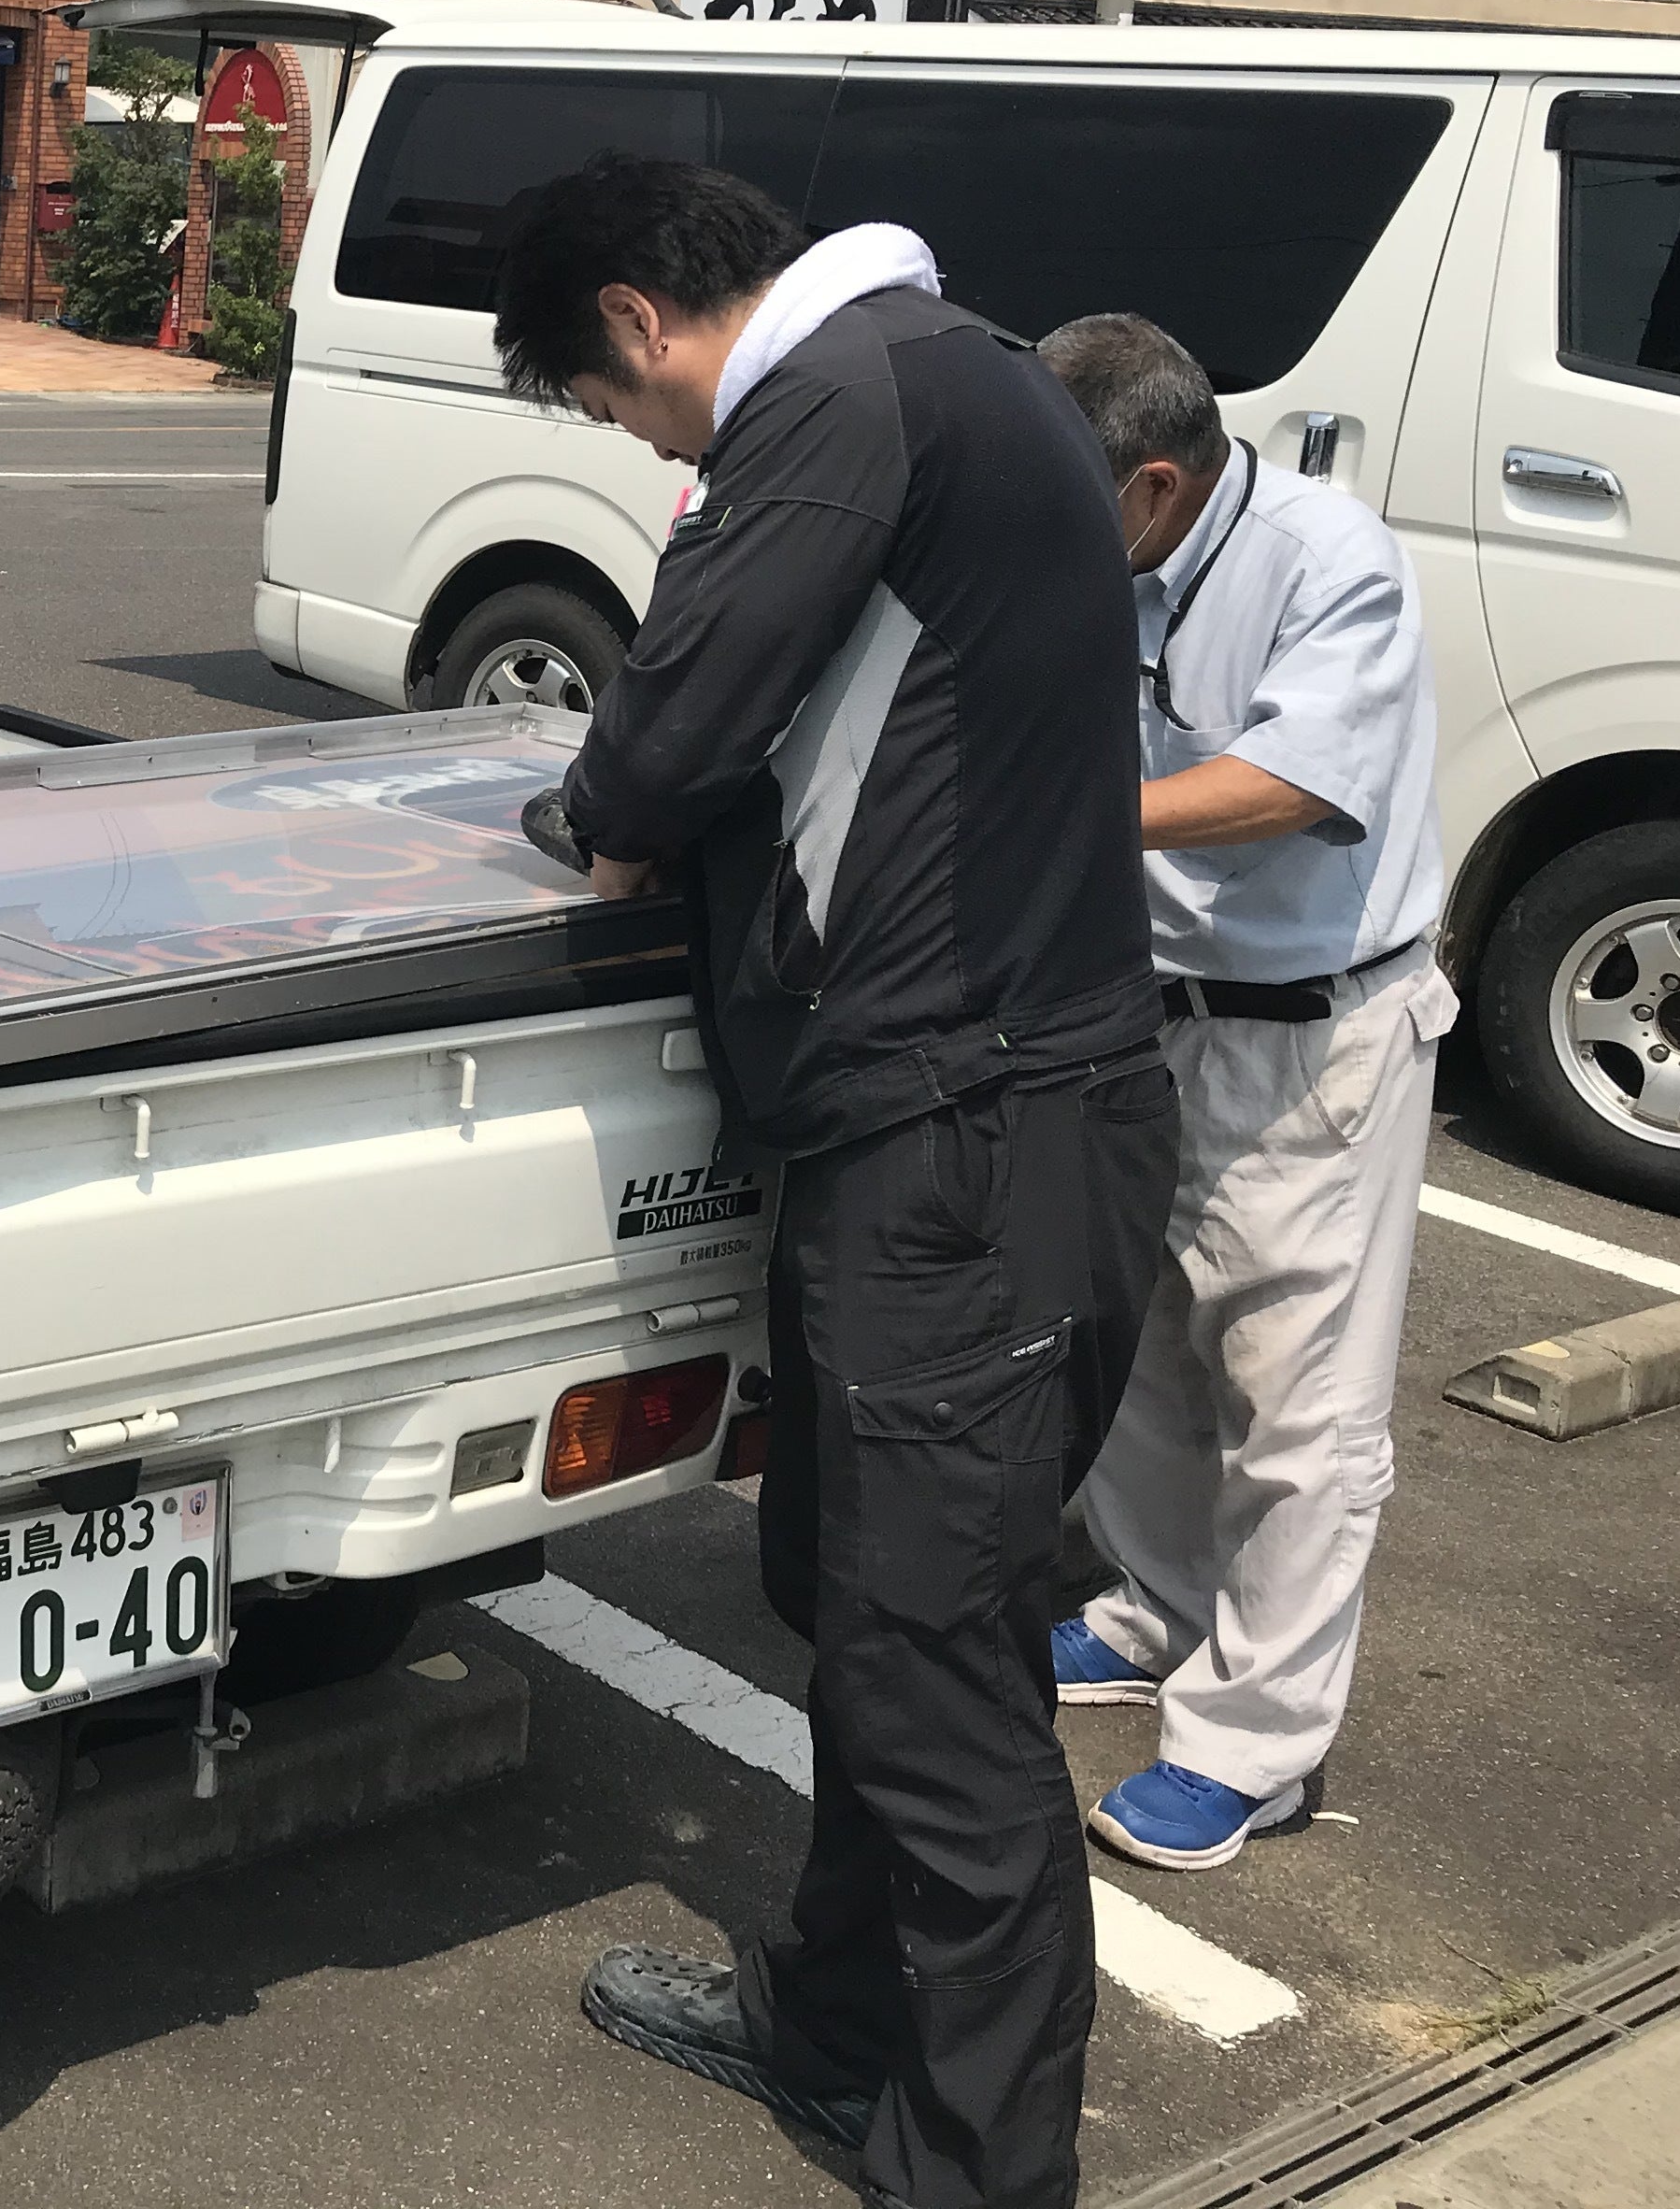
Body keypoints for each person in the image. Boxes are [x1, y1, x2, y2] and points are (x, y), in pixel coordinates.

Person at [498, 160, 1173, 2209]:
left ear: (639, 322)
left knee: (935, 1677)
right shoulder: (958, 371)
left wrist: (599, 807)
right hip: (989, 1124)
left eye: (616, 408)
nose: (650, 448)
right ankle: (834, 2032)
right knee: (873, 1618)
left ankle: (977, 2170)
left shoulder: (833, 403)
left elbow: (655, 748)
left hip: (964, 1140)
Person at [1037, 313, 1453, 1871]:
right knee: (1144, 1343)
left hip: (1310, 1035)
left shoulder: (1326, 559)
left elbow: (1291, 784)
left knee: (1298, 1399)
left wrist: (1056, 808)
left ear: (1154, 483)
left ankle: (1258, 1743)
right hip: (1147, 1009)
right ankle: (1160, 1606)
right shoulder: (1107, 558)